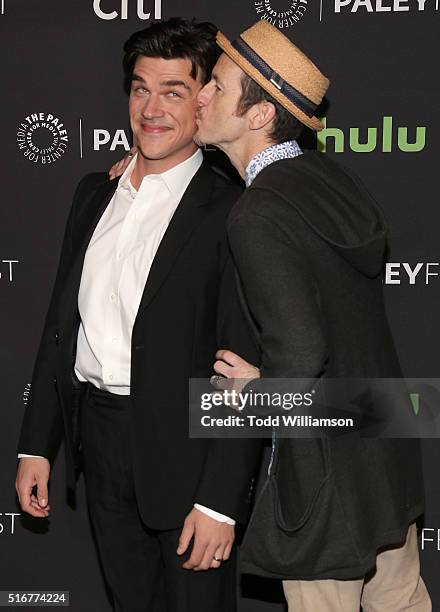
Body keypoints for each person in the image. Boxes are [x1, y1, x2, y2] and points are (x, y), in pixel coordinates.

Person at [15, 18, 261, 612]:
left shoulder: (232, 211)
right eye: (139, 87)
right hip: (99, 444)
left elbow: (245, 366)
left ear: (204, 102)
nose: (151, 108)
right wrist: (35, 446)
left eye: (173, 91)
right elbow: (59, 325)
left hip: (189, 454)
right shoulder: (93, 193)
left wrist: (221, 500)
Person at [195, 20, 431, 612]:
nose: (200, 95)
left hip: (326, 482)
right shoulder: (330, 179)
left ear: (258, 116)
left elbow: (301, 354)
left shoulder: (260, 212)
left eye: (217, 88)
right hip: (384, 457)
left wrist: (251, 393)